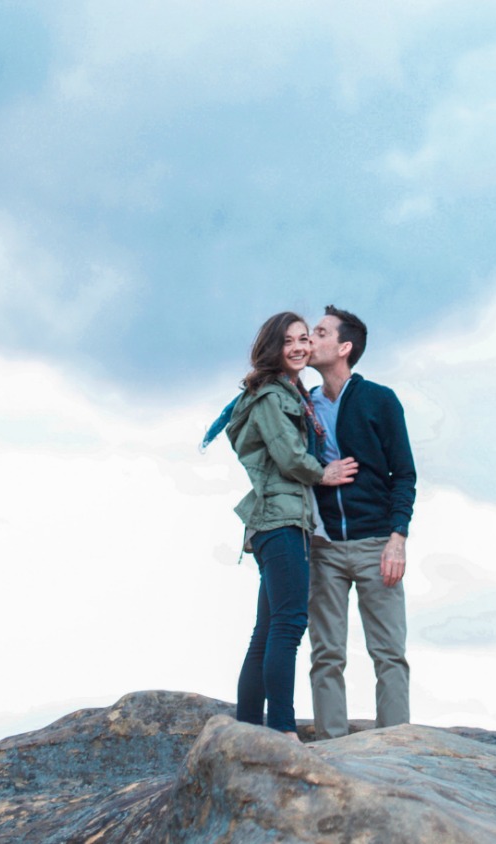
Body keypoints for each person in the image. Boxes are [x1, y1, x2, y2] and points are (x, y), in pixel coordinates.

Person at [224, 312, 357, 736]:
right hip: (280, 523)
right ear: (272, 348)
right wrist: (323, 473)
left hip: (281, 522)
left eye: (304, 339)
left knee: (267, 629)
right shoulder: (270, 396)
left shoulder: (289, 393)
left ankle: (248, 727)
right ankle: (280, 729)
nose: (299, 347)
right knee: (289, 622)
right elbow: (286, 453)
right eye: (289, 341)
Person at [304, 306, 416, 740]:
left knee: (389, 653)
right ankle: (332, 750)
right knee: (326, 653)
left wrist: (397, 538)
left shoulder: (380, 400)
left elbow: (403, 474)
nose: (309, 340)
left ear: (344, 347)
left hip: (376, 544)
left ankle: (395, 748)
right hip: (323, 546)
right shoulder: (302, 404)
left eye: (319, 332)